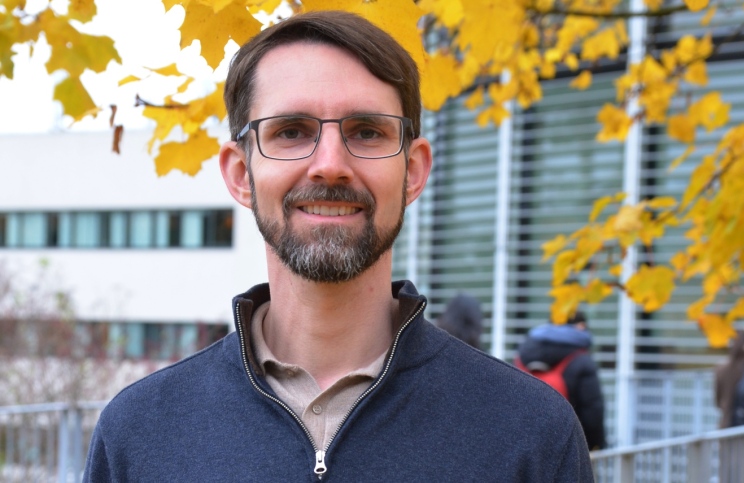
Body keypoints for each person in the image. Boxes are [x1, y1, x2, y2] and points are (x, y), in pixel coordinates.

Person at [83, 11, 592, 481]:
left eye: (367, 131)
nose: (330, 163)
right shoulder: (138, 433)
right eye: (291, 131)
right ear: (241, 175)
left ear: (413, 171)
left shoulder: (531, 432)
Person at [517, 311, 607, 450]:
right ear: (581, 326)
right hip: (565, 445)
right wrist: (595, 445)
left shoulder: (523, 353)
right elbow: (592, 411)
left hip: (524, 441)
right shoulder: (581, 359)